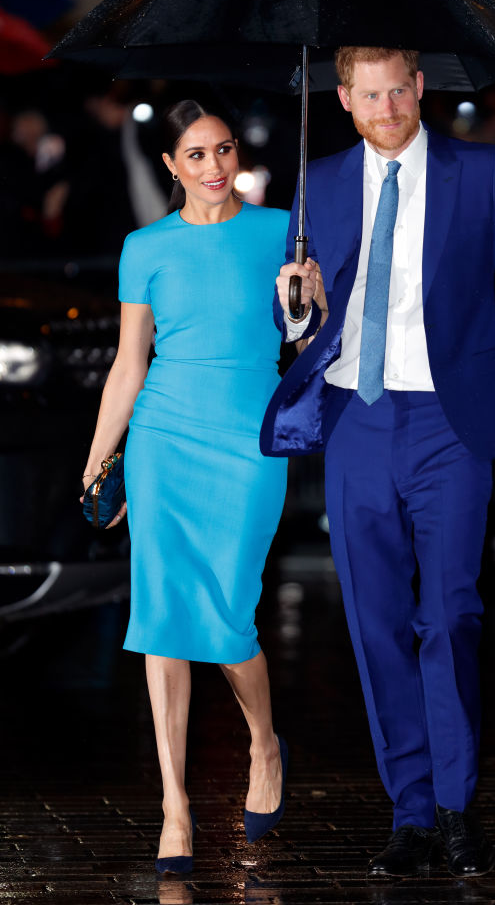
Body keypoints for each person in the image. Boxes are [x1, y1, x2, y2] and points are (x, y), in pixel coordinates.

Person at [261, 48, 495, 880]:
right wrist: (293, 306)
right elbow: (298, 321)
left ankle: (458, 806)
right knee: (374, 627)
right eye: (370, 94)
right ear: (344, 98)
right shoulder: (318, 181)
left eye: (400, 89)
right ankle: (410, 811)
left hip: (449, 424)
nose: (388, 105)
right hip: (358, 421)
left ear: (420, 87)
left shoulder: (479, 170)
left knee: (451, 615)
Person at [82, 100, 289, 873]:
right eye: (195, 156)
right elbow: (130, 363)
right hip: (163, 439)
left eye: (223, 150)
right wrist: (100, 460)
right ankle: (174, 807)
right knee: (163, 615)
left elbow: (316, 329)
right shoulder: (145, 247)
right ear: (170, 166)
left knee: (231, 615)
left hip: (248, 440)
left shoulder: (282, 231)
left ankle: (263, 744)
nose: (213, 168)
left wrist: (303, 301)